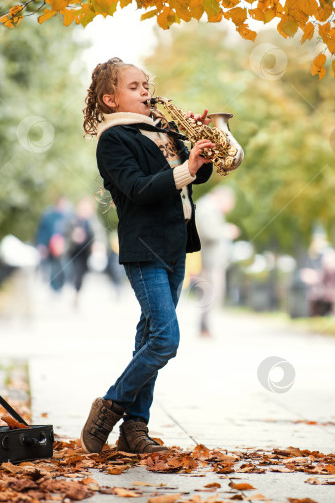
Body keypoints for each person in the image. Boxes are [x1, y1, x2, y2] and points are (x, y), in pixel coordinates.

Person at [80, 57, 215, 455]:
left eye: (146, 84)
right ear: (110, 98)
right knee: (165, 339)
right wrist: (186, 168)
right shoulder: (114, 140)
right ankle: (109, 407)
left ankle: (134, 430)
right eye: (135, 86)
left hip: (176, 246)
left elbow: (198, 175)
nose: (146, 92)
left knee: (147, 338)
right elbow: (139, 189)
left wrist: (198, 148)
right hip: (144, 248)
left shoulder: (163, 131)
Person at [194, 186, 238, 337]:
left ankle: (205, 327)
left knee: (210, 294)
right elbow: (208, 233)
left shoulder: (208, 208)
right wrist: (226, 231)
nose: (227, 209)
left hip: (211, 260)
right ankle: (205, 328)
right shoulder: (207, 208)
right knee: (211, 294)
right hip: (209, 261)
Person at [35, 197, 71, 293]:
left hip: (64, 249)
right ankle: (54, 289)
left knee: (63, 268)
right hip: (49, 247)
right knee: (52, 268)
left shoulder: (69, 217)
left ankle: (60, 287)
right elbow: (42, 231)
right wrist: (42, 245)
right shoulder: (48, 216)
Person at [66, 197, 96, 309]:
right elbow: (65, 235)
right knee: (74, 272)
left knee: (81, 274)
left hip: (86, 253)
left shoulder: (93, 221)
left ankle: (76, 293)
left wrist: (97, 245)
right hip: (73, 252)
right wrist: (73, 237)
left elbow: (98, 235)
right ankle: (73, 292)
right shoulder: (72, 220)